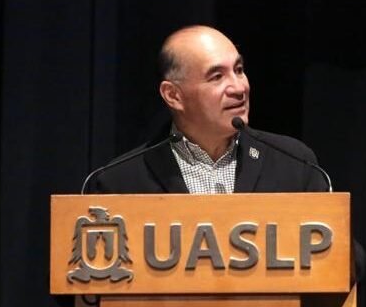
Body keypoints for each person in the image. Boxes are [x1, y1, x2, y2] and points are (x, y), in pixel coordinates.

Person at [87, 25, 329, 195]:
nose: (238, 87)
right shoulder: (120, 182)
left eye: (239, 69)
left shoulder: (295, 163)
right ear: (173, 95)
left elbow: (349, 259)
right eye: (216, 77)